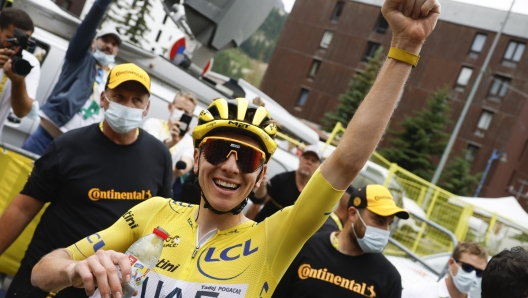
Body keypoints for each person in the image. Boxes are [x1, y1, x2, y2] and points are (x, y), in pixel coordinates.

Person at [30, 1, 442, 296]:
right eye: (217, 152)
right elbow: (42, 273)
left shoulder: (274, 238)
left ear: (262, 174)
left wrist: (404, 49)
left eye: (246, 158)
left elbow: (347, 160)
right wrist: (76, 269)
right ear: (196, 158)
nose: (229, 166)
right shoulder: (153, 212)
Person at [0, 63, 173, 298]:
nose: (127, 106)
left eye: (136, 100)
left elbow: (161, 224)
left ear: (147, 107)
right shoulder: (68, 147)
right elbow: (23, 208)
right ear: (103, 99)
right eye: (119, 97)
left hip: (107, 290)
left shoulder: (159, 156)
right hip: (50, 282)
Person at [22, 0, 121, 156]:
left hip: (76, 154)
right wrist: (102, 3)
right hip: (45, 141)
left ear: (117, 51)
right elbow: (86, 28)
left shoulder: (116, 80)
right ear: (94, 42)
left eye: (114, 44)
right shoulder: (79, 58)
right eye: (106, 40)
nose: (109, 45)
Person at [273, 184, 409, 297]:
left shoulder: (388, 277)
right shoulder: (306, 248)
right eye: (378, 221)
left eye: (389, 224)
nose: (384, 230)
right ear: (353, 214)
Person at [143, 90, 198, 199]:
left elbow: (183, 169)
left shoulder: (190, 142)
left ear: (191, 116)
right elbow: (149, 151)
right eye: (179, 109)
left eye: (186, 112)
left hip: (160, 196)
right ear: (170, 107)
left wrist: (178, 170)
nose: (182, 113)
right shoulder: (153, 124)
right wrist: (173, 141)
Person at [248, 144, 323, 222]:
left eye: (314, 161)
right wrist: (247, 229)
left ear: (319, 166)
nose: (309, 162)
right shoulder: (281, 179)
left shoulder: (314, 191)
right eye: (307, 158)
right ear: (300, 159)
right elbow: (257, 204)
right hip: (263, 229)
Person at [0, 8, 40, 139]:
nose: (15, 47)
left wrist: (18, 81)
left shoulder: (26, 63)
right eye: (11, 39)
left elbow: (21, 112)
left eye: (22, 42)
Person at [402, 242, 488, 298]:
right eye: (467, 267)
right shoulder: (416, 293)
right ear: (451, 263)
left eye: (479, 272)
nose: (472, 275)